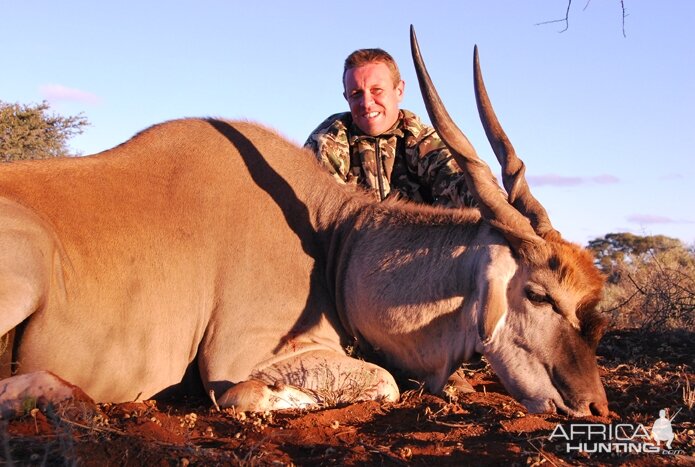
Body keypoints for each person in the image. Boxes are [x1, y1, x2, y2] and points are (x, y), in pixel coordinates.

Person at [304, 48, 476, 208]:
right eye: (356, 94)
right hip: (349, 238)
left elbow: (461, 179)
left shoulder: (423, 140)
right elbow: (316, 206)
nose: (366, 103)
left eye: (377, 90)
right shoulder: (327, 141)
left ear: (399, 90)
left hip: (419, 238)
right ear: (346, 97)